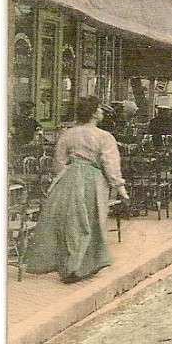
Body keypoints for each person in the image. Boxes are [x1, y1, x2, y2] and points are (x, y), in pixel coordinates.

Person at [25, 96, 131, 283]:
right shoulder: (104, 137)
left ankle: (70, 264)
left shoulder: (68, 134)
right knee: (91, 220)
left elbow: (59, 161)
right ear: (92, 113)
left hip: (70, 178)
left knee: (72, 222)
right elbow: (111, 165)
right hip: (93, 179)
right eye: (99, 109)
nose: (102, 112)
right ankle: (80, 266)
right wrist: (120, 188)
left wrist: (61, 178)